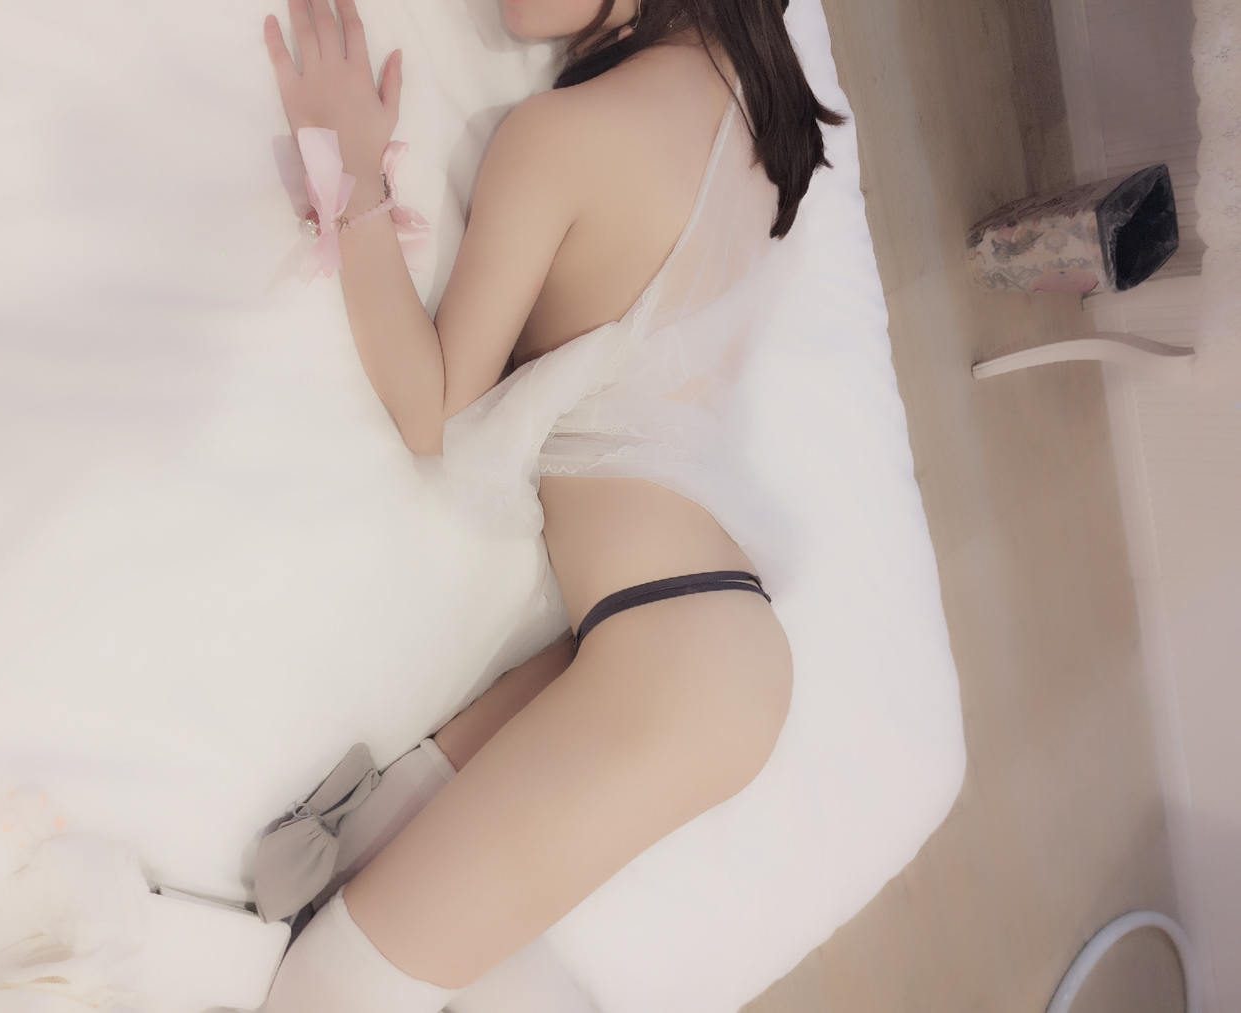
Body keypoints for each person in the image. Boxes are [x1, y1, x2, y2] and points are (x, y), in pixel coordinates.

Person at [258, 0, 844, 1008]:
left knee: (331, 986)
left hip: (671, 650)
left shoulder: (562, 140)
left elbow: (435, 408)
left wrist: (350, 170)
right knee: (357, 859)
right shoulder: (759, 108)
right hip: (679, 633)